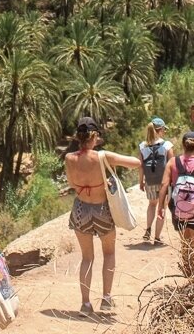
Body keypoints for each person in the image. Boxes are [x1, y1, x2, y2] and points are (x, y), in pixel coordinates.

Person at [64, 116, 142, 317]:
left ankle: (85, 304)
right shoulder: (102, 156)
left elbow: (72, 184)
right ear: (95, 136)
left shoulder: (69, 158)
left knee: (87, 258)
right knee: (109, 253)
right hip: (101, 210)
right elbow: (135, 163)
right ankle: (106, 298)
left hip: (81, 209)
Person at [156, 131, 194, 277]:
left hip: (179, 209)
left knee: (186, 244)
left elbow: (164, 185)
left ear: (183, 145)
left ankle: (187, 274)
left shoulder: (172, 162)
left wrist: (160, 207)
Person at [137, 117, 173, 245]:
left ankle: (148, 229)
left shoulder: (142, 146)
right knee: (161, 207)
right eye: (164, 130)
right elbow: (171, 165)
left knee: (152, 205)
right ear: (161, 130)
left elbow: (140, 166)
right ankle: (157, 238)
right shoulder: (167, 145)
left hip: (150, 181)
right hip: (163, 181)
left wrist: (141, 182)